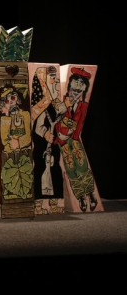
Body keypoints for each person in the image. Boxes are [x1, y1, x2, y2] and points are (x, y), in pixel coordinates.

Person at [54, 67, 97, 212]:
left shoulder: (83, 105)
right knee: (70, 168)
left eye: (80, 89)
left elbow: (79, 125)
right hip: (62, 140)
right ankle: (80, 197)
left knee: (82, 165)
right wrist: (60, 135)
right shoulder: (62, 102)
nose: (76, 92)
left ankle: (90, 193)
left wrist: (73, 135)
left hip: (74, 139)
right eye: (74, 88)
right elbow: (56, 119)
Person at [31, 66, 66, 214]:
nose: (56, 81)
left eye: (56, 78)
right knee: (40, 169)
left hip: (54, 144)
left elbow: (63, 113)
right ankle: (38, 204)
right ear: (43, 82)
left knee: (55, 170)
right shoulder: (42, 103)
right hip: (42, 145)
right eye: (52, 78)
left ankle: (54, 203)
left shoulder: (55, 101)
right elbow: (38, 126)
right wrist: (45, 134)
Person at [0, 84, 31, 153]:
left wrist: (18, 143)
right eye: (7, 101)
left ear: (17, 98)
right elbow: (4, 140)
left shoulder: (25, 114)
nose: (10, 102)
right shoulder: (5, 119)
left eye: (12, 98)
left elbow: (28, 136)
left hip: (25, 151)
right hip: (9, 153)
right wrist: (7, 114)